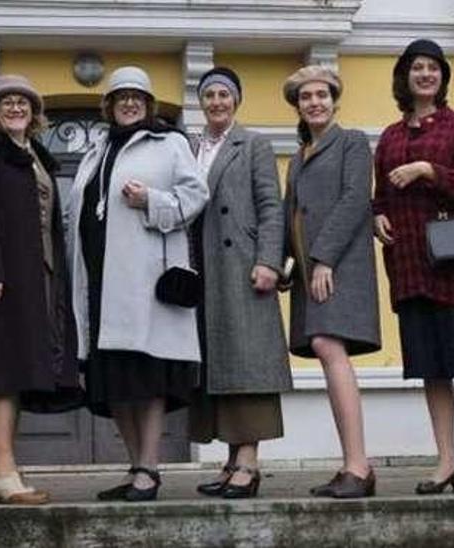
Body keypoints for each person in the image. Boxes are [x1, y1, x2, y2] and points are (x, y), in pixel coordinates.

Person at [67, 66, 209, 502]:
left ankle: (149, 468)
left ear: (148, 105)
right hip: (99, 287)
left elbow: (195, 197)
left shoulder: (169, 144)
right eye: (121, 96)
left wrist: (151, 200)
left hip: (143, 286)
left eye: (138, 97)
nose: (130, 102)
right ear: (108, 105)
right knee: (115, 388)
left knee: (146, 381)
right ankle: (136, 469)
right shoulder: (95, 152)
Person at [373, 39, 454, 497]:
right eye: (417, 68)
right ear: (404, 77)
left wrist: (429, 169)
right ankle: (447, 460)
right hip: (412, 269)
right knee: (434, 369)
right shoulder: (389, 137)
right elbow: (380, 195)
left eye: (433, 68)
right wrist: (377, 216)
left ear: (443, 77)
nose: (425, 75)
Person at [0, 74, 84, 505]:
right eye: (6, 102)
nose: (15, 108)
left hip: (37, 277)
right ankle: (3, 470)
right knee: (2, 374)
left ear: (34, 114)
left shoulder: (36, 156)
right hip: (0, 279)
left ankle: (2, 469)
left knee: (20, 372)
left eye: (23, 102)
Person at [186, 67, 289, 500]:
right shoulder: (190, 147)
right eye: (209, 95)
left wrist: (268, 260)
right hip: (203, 269)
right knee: (221, 364)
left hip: (243, 267)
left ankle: (249, 462)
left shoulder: (255, 144)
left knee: (248, 362)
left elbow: (271, 206)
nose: (216, 102)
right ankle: (232, 460)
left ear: (236, 101)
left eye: (224, 95)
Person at [282, 65, 382, 499]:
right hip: (307, 270)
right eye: (306, 97)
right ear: (298, 107)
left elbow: (355, 199)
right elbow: (291, 215)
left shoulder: (353, 142)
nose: (315, 102)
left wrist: (322, 258)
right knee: (326, 351)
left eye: (322, 95)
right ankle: (354, 466)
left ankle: (357, 467)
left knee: (327, 345)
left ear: (333, 100)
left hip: (338, 265)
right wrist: (286, 261)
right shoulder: (299, 157)